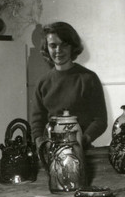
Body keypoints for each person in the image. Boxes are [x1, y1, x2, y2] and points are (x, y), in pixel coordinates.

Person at [31, 22, 108, 150]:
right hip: (51, 151)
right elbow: (37, 122)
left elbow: (100, 121)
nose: (58, 50)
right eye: (53, 45)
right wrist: (41, 145)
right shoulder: (42, 82)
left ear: (73, 46)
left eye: (64, 45)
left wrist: (81, 141)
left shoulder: (89, 78)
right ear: (46, 48)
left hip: (82, 151)